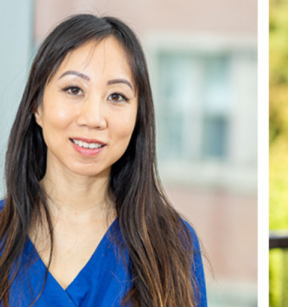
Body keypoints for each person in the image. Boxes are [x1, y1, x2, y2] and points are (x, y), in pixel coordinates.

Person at [0, 14, 206, 307]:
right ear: (37, 105)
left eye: (117, 96)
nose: (94, 118)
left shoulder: (173, 244)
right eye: (74, 90)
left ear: (138, 117)